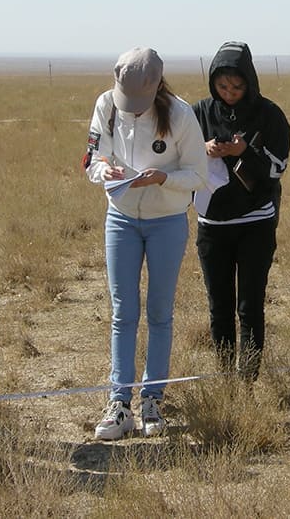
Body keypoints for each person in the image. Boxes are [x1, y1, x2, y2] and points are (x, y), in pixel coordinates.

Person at [84, 47, 206, 440]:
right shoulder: (106, 105)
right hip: (120, 219)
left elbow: (197, 175)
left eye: (140, 103)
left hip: (166, 222)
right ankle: (119, 403)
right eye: (127, 103)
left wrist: (162, 179)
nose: (133, 110)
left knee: (159, 311)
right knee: (123, 311)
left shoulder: (181, 115)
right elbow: (90, 160)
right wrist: (106, 170)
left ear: (156, 87)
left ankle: (152, 399)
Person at [192, 42, 290, 383]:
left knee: (249, 307)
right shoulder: (197, 113)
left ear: (250, 82)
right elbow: (175, 158)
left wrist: (246, 151)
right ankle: (224, 381)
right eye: (222, 87)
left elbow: (279, 167)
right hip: (212, 227)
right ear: (212, 83)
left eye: (237, 87)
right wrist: (201, 150)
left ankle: (247, 381)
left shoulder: (270, 114)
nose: (230, 93)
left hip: (256, 225)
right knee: (219, 306)